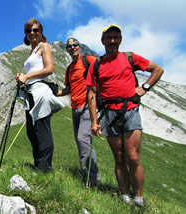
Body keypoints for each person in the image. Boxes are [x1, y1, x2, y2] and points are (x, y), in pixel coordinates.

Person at [86, 24, 164, 207]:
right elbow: (91, 94)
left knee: (133, 157)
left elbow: (157, 69)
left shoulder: (130, 58)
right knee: (119, 158)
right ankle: (124, 197)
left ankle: (139, 198)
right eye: (109, 38)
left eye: (116, 37)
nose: (112, 41)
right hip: (109, 114)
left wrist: (145, 87)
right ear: (102, 41)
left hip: (130, 111)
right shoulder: (96, 65)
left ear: (120, 40)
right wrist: (94, 121)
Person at [16, 18, 64, 172]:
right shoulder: (32, 51)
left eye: (36, 30)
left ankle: (45, 169)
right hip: (31, 92)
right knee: (31, 131)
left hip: (40, 92)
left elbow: (49, 69)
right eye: (29, 31)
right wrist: (22, 77)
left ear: (41, 32)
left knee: (42, 130)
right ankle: (38, 165)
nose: (32, 33)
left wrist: (27, 77)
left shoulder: (44, 46)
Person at [56, 38, 101, 185]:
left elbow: (103, 67)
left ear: (79, 47)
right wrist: (53, 92)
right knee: (82, 142)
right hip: (75, 108)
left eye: (75, 45)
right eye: (69, 46)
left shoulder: (88, 60)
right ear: (67, 50)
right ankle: (90, 177)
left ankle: (91, 181)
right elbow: (68, 89)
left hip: (88, 107)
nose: (72, 48)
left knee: (83, 139)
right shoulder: (69, 69)